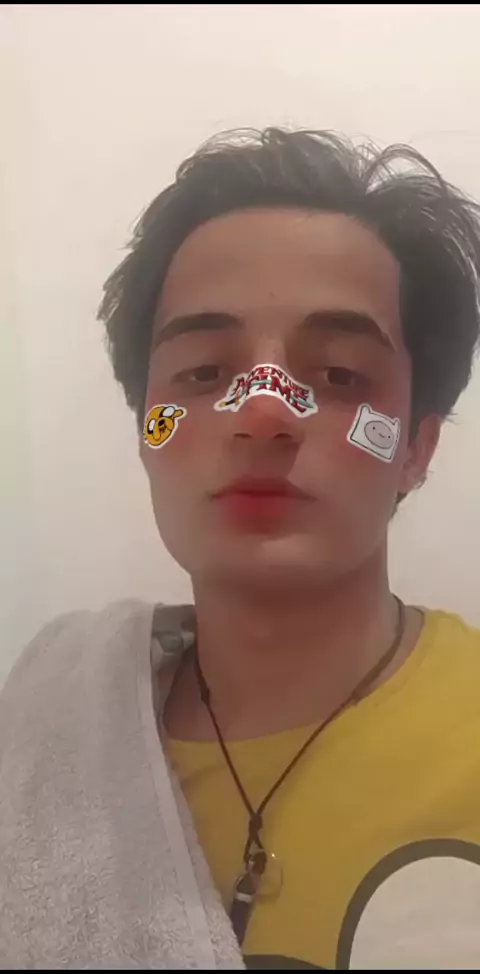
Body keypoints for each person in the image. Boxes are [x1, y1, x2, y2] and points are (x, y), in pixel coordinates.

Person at [2, 128, 480, 971]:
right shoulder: (44, 731)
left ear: (416, 445)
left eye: (339, 375)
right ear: (147, 432)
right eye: (202, 373)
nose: (263, 412)